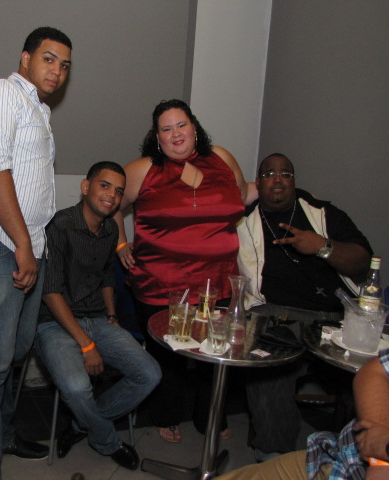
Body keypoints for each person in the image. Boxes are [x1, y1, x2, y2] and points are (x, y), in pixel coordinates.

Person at [0, 26, 72, 479]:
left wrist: (33, 247)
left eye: (64, 65)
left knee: (15, 352)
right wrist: (23, 243)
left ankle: (1, 435)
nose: (57, 71)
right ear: (25, 58)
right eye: (49, 59)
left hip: (28, 247)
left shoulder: (38, 110)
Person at [114, 99, 251, 443]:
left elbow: (242, 194)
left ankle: (210, 416)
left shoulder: (221, 158)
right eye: (167, 128)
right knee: (169, 357)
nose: (176, 134)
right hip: (162, 284)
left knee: (213, 353)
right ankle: (167, 415)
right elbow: (110, 203)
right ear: (157, 137)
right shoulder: (144, 169)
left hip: (218, 282)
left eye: (182, 125)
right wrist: (120, 243)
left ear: (194, 127)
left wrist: (285, 190)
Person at [237, 153, 372, 461]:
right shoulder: (243, 220)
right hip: (275, 314)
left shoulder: (323, 214)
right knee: (268, 367)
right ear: (258, 183)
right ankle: (274, 456)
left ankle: (358, 456)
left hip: (335, 318)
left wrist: (323, 246)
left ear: (294, 181)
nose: (278, 179)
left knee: (370, 374)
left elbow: (364, 262)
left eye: (285, 174)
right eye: (269, 174)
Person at [35, 162, 161, 470]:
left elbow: (106, 276)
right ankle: (106, 439)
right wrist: (87, 344)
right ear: (85, 186)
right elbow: (50, 292)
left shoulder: (110, 230)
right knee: (77, 387)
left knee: (150, 373)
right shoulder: (60, 225)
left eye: (118, 191)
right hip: (55, 323)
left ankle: (83, 423)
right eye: (105, 186)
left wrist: (113, 315)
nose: (112, 196)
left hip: (99, 319)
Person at [215, 348, 389, 480]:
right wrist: (376, 434)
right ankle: (272, 450)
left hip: (353, 468)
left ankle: (273, 451)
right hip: (335, 457)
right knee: (271, 359)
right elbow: (376, 370)